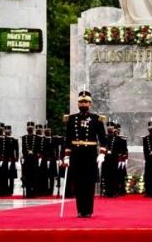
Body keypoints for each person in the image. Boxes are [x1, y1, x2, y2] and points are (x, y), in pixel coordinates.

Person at [63, 90, 107, 218]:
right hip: (76, 153)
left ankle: (88, 210)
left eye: (86, 102)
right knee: (78, 182)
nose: (83, 104)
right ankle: (80, 210)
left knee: (89, 182)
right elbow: (68, 139)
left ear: (90, 104)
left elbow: (103, 139)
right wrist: (66, 156)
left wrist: (102, 153)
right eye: (81, 102)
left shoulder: (96, 119)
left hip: (90, 153)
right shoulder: (71, 119)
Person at [102, 121, 123, 197]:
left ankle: (114, 191)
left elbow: (119, 149)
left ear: (114, 129)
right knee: (107, 175)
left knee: (114, 175)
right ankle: (107, 191)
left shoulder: (117, 139)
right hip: (106, 158)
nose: (109, 129)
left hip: (114, 159)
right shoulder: (104, 138)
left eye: (111, 128)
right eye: (108, 128)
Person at [21, 121, 40, 198]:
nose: (30, 130)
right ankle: (28, 192)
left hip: (34, 158)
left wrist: (34, 153)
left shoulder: (37, 138)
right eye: (29, 128)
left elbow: (38, 148)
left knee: (34, 176)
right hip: (27, 159)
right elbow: (23, 149)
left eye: (31, 128)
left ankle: (34, 192)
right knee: (27, 176)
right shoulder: (24, 138)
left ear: (33, 129)